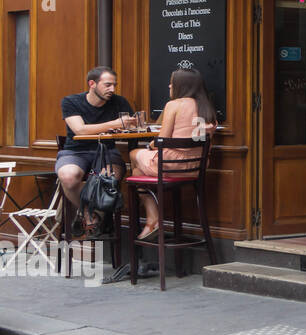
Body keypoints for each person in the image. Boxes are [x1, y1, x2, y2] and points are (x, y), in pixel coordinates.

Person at [128, 68, 216, 242]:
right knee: (138, 172)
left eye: (172, 82)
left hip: (171, 165)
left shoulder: (174, 105)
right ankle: (152, 221)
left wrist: (150, 146)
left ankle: (153, 218)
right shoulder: (206, 107)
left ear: (181, 85)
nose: (169, 86)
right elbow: (197, 137)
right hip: (196, 168)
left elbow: (163, 139)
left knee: (133, 154)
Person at [57, 67, 134, 233]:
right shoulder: (71, 101)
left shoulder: (119, 102)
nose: (112, 89)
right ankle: (88, 214)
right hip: (75, 152)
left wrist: (129, 126)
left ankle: (97, 220)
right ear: (92, 84)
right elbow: (80, 130)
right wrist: (115, 124)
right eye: (107, 85)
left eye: (114, 85)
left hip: (107, 152)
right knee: (68, 177)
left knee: (108, 181)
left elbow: (133, 127)